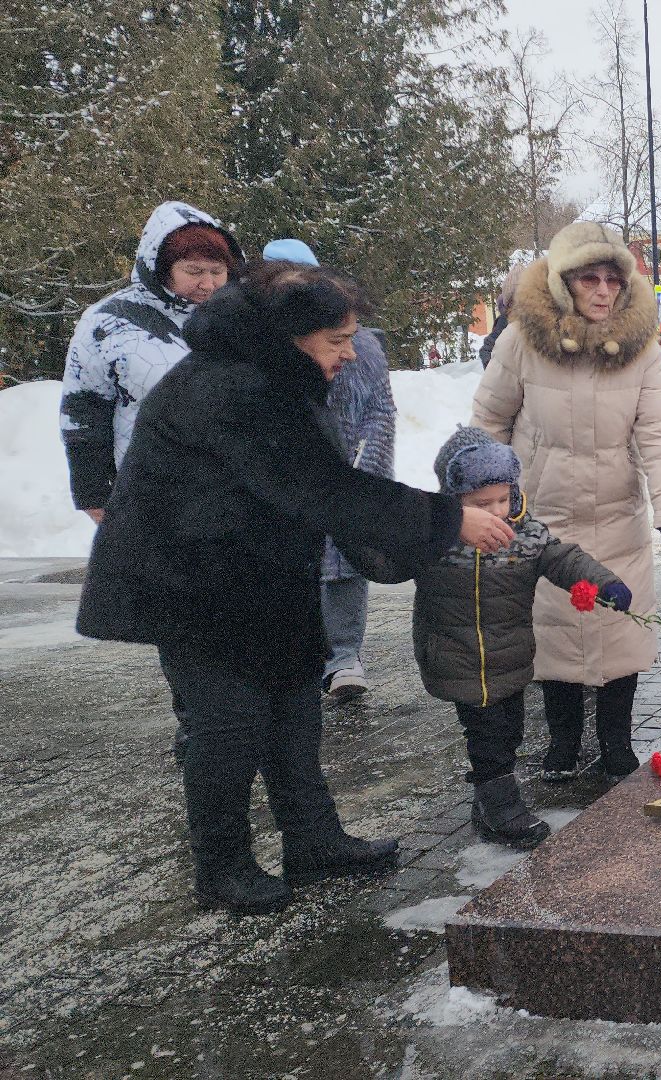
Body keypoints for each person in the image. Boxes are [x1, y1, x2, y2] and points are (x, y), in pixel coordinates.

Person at [76, 261, 517, 915]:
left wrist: (394, 547)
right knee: (229, 727)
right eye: (337, 340)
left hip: (258, 574)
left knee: (292, 708)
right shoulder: (235, 385)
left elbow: (320, 491)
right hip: (191, 583)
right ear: (293, 334)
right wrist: (451, 519)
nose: (349, 353)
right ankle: (220, 867)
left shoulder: (273, 374)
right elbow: (325, 489)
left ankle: (313, 841)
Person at [472, 221, 661, 782]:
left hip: (617, 513)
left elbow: (659, 434)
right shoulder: (522, 341)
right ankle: (564, 740)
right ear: (562, 282)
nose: (601, 291)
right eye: (588, 278)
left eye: (612, 280)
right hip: (542, 516)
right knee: (553, 631)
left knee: (622, 626)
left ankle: (616, 739)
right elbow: (489, 422)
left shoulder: (642, 347)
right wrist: (489, 498)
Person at [415, 427, 629, 849]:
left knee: (506, 729)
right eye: (481, 504)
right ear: (453, 499)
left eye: (502, 498)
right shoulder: (436, 536)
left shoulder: (526, 532)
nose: (496, 511)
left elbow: (564, 559)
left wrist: (604, 584)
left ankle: (488, 797)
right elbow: (389, 556)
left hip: (510, 655)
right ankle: (502, 806)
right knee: (487, 731)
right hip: (455, 653)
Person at [261, 238, 398, 701]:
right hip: (288, 474)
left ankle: (344, 655)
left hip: (346, 462)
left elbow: (381, 407)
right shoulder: (257, 347)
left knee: (345, 561)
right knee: (293, 562)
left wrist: (369, 460)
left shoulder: (360, 344)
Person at [62, 201, 244, 523]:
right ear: (160, 268)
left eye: (217, 271)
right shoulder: (108, 323)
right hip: (145, 499)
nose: (208, 284)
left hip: (235, 501)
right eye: (194, 271)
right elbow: (84, 411)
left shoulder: (244, 321)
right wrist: (93, 493)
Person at [479, 266, 525, 369]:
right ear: (508, 303)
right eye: (514, 301)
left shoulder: (540, 319)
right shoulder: (504, 321)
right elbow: (487, 349)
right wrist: (498, 372)